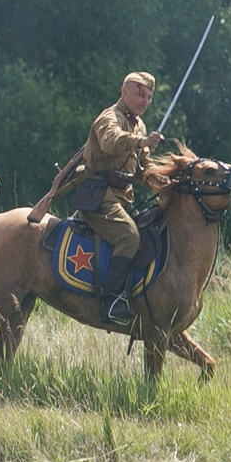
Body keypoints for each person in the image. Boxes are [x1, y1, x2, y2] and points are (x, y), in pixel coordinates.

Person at [76, 71, 162, 324]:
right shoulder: (110, 117)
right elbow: (109, 142)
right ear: (124, 91)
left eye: (148, 98)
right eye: (140, 94)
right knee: (129, 236)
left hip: (123, 198)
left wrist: (161, 181)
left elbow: (142, 168)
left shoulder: (139, 125)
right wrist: (141, 141)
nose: (144, 102)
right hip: (99, 196)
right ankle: (112, 301)